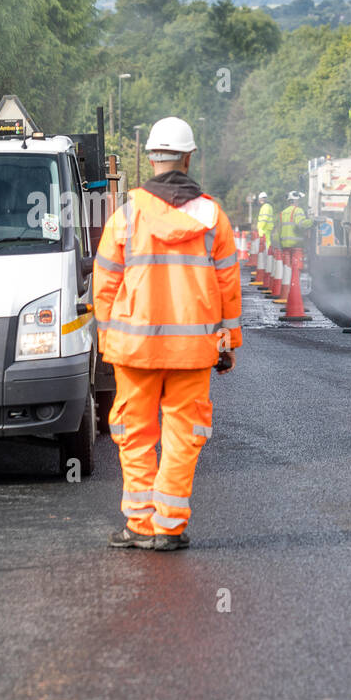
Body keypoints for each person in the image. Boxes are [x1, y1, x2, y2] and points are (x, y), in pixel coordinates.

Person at [92, 116, 242, 551]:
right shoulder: (214, 217)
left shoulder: (127, 215)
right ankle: (169, 527)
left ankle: (138, 524)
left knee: (134, 433)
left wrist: (109, 340)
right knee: (184, 435)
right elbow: (228, 287)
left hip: (134, 348)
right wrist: (228, 344)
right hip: (191, 351)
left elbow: (104, 283)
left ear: (151, 156)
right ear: (189, 157)